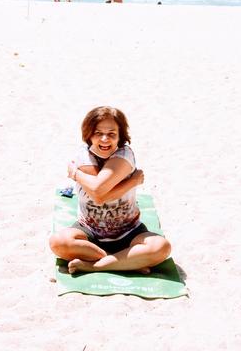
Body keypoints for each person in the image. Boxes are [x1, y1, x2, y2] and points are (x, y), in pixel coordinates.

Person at [49, 106, 171, 274]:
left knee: (161, 247)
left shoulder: (124, 155)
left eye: (112, 134)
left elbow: (98, 191)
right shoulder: (83, 156)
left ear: (120, 137)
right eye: (98, 133)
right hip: (89, 232)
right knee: (58, 242)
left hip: (129, 232)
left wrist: (75, 174)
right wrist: (133, 181)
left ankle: (94, 265)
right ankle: (126, 261)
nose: (105, 139)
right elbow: (99, 194)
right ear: (89, 134)